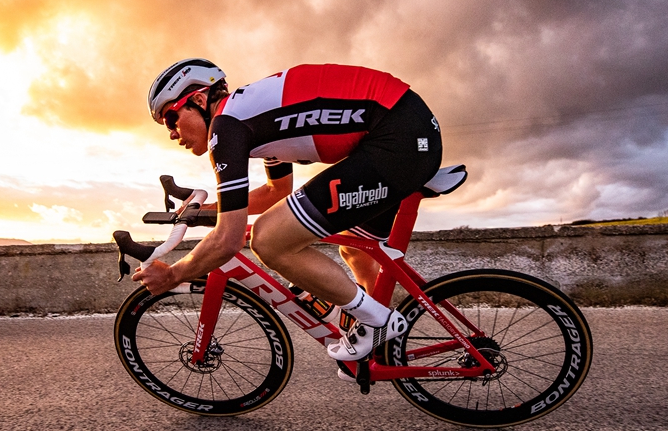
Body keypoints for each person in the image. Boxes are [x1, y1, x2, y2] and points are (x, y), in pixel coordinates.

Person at [133, 59, 442, 362]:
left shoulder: (226, 127)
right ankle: (379, 344)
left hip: (397, 139)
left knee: (268, 241)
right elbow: (275, 191)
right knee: (356, 251)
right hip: (405, 129)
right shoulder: (253, 119)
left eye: (171, 119)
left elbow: (227, 240)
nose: (172, 133)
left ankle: (379, 322)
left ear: (198, 99)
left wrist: (174, 274)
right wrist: (211, 211)